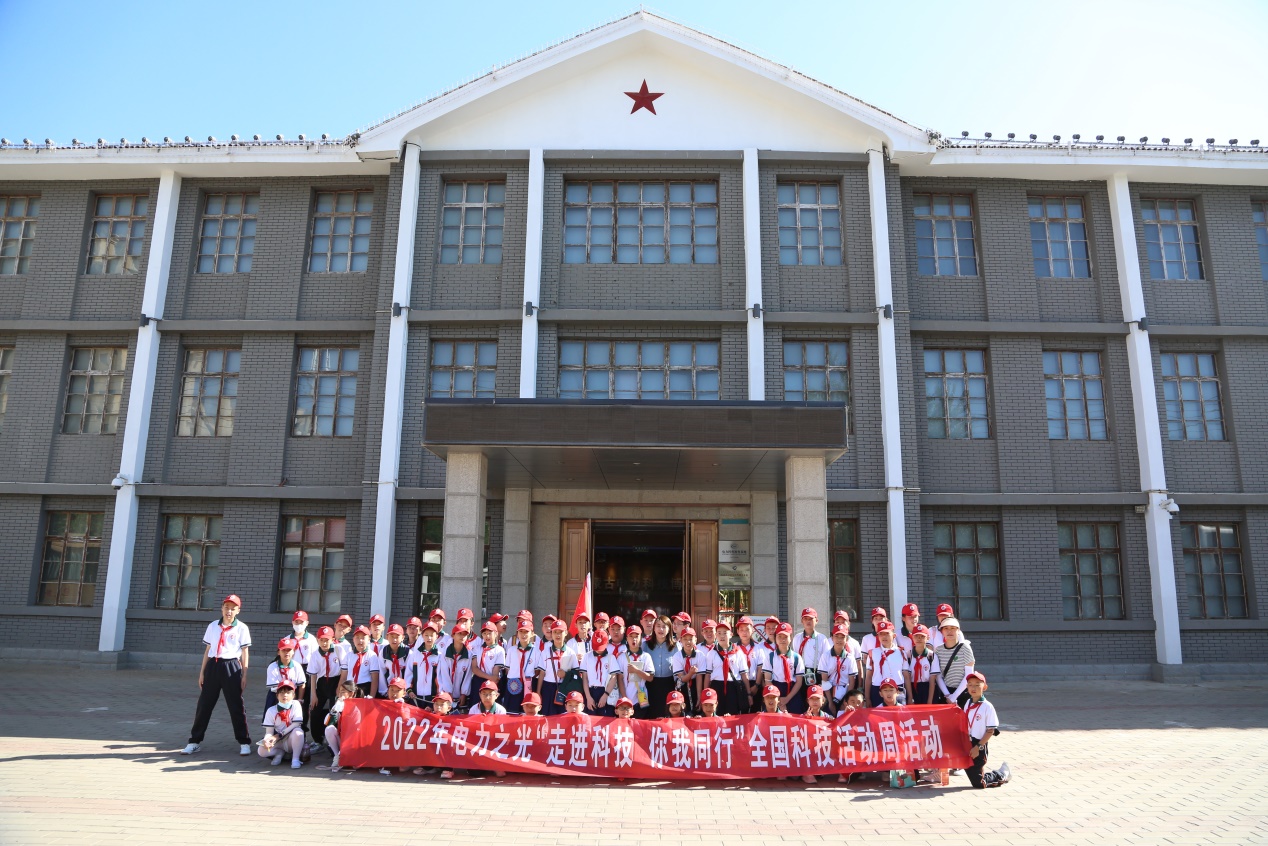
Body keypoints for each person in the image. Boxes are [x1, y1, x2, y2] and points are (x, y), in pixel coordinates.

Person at [183, 594, 253, 756]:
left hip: (231, 667)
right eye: (226, 608)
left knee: (236, 705)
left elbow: (245, 652)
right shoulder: (213, 626)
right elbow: (208, 650)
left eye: (233, 609)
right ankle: (194, 741)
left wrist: (244, 674)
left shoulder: (241, 628)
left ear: (238, 611)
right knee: (204, 705)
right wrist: (202, 673)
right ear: (222, 608)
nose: (229, 611)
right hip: (213, 666)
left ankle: (244, 742)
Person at [962, 672, 1010, 788]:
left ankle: (1002, 774)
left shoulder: (987, 706)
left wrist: (978, 747)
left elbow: (990, 730)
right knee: (973, 774)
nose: (973, 688)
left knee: (979, 783)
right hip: (967, 742)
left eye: (977, 684)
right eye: (970, 684)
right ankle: (981, 776)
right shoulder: (968, 703)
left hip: (979, 744)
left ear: (984, 687)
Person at [307, 625, 342, 751]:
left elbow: (344, 670)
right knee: (314, 710)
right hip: (321, 683)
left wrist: (339, 687)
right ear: (317, 640)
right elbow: (313, 675)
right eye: (321, 640)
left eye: (327, 640)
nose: (324, 643)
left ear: (332, 639)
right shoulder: (315, 654)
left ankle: (334, 741)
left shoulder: (338, 650)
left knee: (335, 712)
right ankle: (318, 740)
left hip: (335, 682)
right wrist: (313, 695)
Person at [258, 679, 305, 769]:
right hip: (279, 741)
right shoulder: (271, 710)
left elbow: (296, 724)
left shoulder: (296, 704)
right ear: (277, 695)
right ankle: (279, 753)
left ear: (293, 695)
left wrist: (279, 735)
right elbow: (269, 732)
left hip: (291, 739)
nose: (285, 695)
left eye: (288, 692)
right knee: (261, 751)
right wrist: (267, 740)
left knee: (298, 732)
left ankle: (295, 759)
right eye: (282, 692)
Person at [706, 620, 749, 716]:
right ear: (715, 635)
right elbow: (708, 675)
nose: (722, 636)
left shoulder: (738, 652)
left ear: (731, 634)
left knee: (733, 714)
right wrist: (705, 693)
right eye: (719, 633)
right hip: (717, 686)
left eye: (725, 633)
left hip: (733, 687)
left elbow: (744, 674)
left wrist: (748, 694)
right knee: (717, 714)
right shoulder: (711, 653)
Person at [762, 622, 806, 714]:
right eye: (779, 636)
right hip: (775, 689)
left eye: (785, 637)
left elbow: (799, 681)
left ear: (790, 638)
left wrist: (787, 698)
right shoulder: (770, 657)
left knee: (795, 716)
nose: (782, 640)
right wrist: (777, 699)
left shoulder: (797, 657)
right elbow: (767, 680)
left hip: (793, 691)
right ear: (775, 638)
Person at [537, 619, 577, 715]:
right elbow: (542, 673)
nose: (558, 635)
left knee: (563, 716)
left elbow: (576, 674)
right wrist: (538, 692)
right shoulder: (545, 652)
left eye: (560, 632)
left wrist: (566, 674)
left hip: (565, 687)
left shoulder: (571, 652)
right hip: (548, 687)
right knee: (548, 715)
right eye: (555, 632)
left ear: (566, 633)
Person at [935, 617, 976, 706]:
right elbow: (938, 676)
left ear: (958, 631)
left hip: (963, 692)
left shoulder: (965, 648)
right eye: (946, 628)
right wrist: (947, 695)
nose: (949, 631)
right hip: (946, 694)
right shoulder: (938, 650)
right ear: (942, 631)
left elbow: (969, 675)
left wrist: (954, 696)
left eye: (953, 628)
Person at [819, 624, 858, 716]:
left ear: (846, 639)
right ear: (832, 638)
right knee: (829, 717)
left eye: (842, 637)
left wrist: (846, 701)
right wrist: (830, 702)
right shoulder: (825, 656)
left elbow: (852, 682)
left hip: (844, 691)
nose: (839, 640)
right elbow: (824, 680)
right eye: (836, 636)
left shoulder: (850, 658)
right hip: (829, 691)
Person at [263, 637, 307, 720]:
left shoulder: (297, 666)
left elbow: (302, 684)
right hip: (276, 696)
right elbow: (275, 688)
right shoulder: (272, 667)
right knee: (274, 719)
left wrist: (300, 699)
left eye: (289, 650)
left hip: (292, 696)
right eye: (283, 650)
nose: (286, 653)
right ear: (278, 652)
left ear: (293, 651)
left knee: (294, 720)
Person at [863, 621, 904, 707]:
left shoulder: (901, 652)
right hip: (877, 688)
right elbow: (868, 677)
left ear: (894, 635)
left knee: (898, 714)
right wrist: (867, 697)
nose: (884, 637)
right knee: (878, 714)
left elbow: (906, 676)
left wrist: (910, 696)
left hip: (897, 689)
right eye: (881, 634)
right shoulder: (873, 653)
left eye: (887, 634)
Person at [792, 608, 831, 698]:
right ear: (802, 621)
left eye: (811, 619)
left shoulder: (822, 638)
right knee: (803, 698)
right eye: (805, 619)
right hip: (801, 673)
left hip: (817, 673)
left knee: (816, 699)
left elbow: (826, 659)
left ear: (816, 621)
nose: (808, 621)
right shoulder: (797, 638)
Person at [581, 631, 621, 716]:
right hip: (591, 691)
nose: (598, 650)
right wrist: (588, 697)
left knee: (605, 718)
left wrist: (605, 695)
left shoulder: (611, 658)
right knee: (591, 718)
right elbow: (584, 678)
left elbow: (613, 678)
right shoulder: (587, 656)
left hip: (606, 691)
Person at [644, 615, 677, 718]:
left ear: (669, 629)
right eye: (658, 626)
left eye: (664, 626)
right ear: (654, 628)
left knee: (666, 713)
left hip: (669, 683)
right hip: (651, 684)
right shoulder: (646, 645)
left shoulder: (675, 646)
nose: (661, 629)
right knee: (652, 713)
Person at [617, 625, 654, 717]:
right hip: (625, 699)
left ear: (641, 638)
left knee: (639, 723)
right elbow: (619, 679)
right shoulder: (622, 657)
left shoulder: (646, 656)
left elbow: (650, 678)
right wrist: (624, 697)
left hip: (641, 698)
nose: (634, 639)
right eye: (631, 636)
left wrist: (636, 671)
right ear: (627, 638)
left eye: (636, 636)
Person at [323, 680, 357, 773]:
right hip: (342, 740)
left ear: (351, 694)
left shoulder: (357, 706)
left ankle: (345, 757)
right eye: (339, 691)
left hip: (353, 742)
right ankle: (337, 756)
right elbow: (327, 722)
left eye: (343, 692)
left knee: (355, 766)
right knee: (329, 729)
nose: (340, 694)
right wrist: (335, 708)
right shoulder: (339, 705)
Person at [734, 616, 766, 713]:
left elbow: (760, 668)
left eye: (747, 629)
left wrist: (757, 685)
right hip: (739, 684)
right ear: (737, 631)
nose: (744, 632)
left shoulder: (758, 648)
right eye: (741, 630)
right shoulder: (733, 648)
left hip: (754, 683)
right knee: (739, 713)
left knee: (755, 712)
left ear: (752, 630)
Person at [504, 619, 538, 714]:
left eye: (526, 632)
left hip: (529, 686)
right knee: (512, 712)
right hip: (513, 685)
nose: (523, 635)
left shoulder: (536, 651)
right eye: (521, 632)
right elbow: (507, 669)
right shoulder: (511, 650)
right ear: (517, 634)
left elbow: (537, 671)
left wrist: (526, 680)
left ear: (532, 634)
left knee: (527, 712)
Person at [800, 685, 832, 784]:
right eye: (812, 699)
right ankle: (806, 773)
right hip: (809, 748)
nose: (815, 702)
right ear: (808, 701)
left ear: (823, 700)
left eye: (817, 699)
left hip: (822, 748)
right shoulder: (802, 716)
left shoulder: (827, 716)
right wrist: (806, 720)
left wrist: (832, 721)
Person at [406, 622, 442, 709]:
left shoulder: (439, 656)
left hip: (432, 697)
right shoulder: (415, 655)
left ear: (437, 636)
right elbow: (409, 673)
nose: (429, 638)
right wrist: (409, 690)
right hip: (415, 696)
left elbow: (440, 677)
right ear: (422, 636)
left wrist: (438, 695)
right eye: (426, 635)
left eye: (432, 635)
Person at [470, 621, 507, 704]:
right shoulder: (477, 648)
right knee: (476, 705)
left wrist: (491, 679)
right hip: (478, 680)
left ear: (496, 633)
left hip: (493, 682)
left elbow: (496, 671)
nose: (487, 636)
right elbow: (474, 668)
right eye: (484, 633)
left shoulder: (499, 650)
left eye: (490, 633)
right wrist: (489, 677)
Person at [339, 625, 381, 697]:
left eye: (363, 638)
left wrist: (372, 696)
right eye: (357, 637)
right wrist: (339, 692)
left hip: (365, 687)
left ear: (369, 639)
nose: (360, 640)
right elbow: (343, 677)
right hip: (350, 687)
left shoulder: (372, 655)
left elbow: (375, 678)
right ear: (353, 639)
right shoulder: (348, 655)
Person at [439, 625, 474, 709]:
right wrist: (448, 693)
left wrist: (464, 693)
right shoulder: (445, 653)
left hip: (461, 696)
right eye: (459, 634)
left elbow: (468, 675)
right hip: (446, 695)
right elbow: (444, 674)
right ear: (453, 635)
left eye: (465, 634)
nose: (462, 636)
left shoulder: (469, 654)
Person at [904, 624, 941, 706]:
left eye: (922, 636)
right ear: (912, 637)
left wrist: (930, 701)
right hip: (912, 688)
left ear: (928, 638)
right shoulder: (908, 655)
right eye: (916, 636)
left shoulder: (932, 656)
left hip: (928, 688)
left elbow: (932, 679)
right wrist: (910, 697)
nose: (919, 639)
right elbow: (907, 677)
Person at [671, 626, 703, 714]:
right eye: (685, 639)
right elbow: (682, 678)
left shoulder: (700, 655)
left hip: (696, 684)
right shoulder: (677, 656)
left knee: (696, 709)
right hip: (682, 685)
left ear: (695, 640)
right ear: (681, 640)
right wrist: (690, 673)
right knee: (684, 710)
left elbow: (699, 676)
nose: (688, 642)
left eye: (690, 639)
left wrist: (699, 696)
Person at [430, 691, 457, 780]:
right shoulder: (430, 716)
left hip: (446, 746)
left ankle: (448, 769)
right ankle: (428, 767)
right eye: (436, 704)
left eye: (442, 705)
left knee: (448, 745)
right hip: (433, 744)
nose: (438, 707)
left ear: (449, 708)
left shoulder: (454, 718)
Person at [379, 624, 411, 692]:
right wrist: (384, 691)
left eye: (397, 636)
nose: (394, 639)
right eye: (392, 636)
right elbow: (381, 673)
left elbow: (410, 674)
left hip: (403, 691)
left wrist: (406, 691)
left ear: (403, 637)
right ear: (387, 637)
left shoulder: (408, 652)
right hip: (389, 690)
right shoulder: (383, 652)